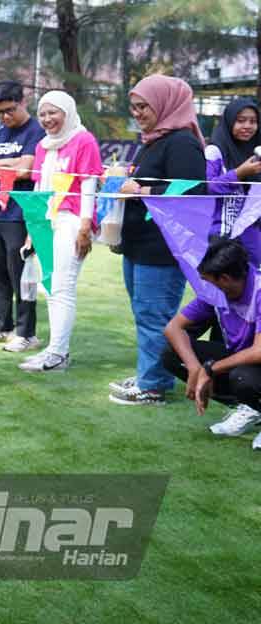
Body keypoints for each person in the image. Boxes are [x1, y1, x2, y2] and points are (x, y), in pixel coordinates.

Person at [110, 75, 207, 406]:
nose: (137, 113)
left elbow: (195, 192)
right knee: (144, 313)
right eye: (134, 107)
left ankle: (153, 386)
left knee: (155, 316)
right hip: (139, 244)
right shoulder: (154, 140)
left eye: (144, 106)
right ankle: (148, 374)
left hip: (163, 248)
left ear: (166, 104)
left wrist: (141, 189)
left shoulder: (182, 143)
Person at [19, 91, 102, 372]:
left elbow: (88, 183)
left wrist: (85, 227)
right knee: (50, 286)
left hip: (72, 219)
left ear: (67, 112)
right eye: (42, 114)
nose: (47, 119)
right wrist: (32, 228)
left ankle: (58, 354)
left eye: (53, 112)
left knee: (62, 286)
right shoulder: (43, 146)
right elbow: (39, 187)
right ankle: (55, 349)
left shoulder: (83, 140)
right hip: (46, 221)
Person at [163, 239, 261, 446]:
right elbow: (173, 328)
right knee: (172, 354)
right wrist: (194, 368)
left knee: (243, 377)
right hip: (244, 359)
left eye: (208, 281)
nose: (205, 286)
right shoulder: (216, 292)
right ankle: (250, 407)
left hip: (255, 359)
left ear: (224, 279)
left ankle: (251, 402)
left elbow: (259, 351)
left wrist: (210, 369)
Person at [0, 81, 43, 352]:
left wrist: (0, 165)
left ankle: (26, 332)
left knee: (21, 274)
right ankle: (0, 326)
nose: (5, 116)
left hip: (22, 212)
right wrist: (11, 164)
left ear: (22, 102)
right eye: (0, 112)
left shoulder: (35, 131)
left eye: (10, 110)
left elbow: (27, 170)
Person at [205, 98, 261, 264]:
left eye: (253, 121)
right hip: (222, 233)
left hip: (252, 231)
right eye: (241, 120)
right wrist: (239, 173)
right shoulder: (214, 151)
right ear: (229, 121)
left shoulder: (256, 150)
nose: (248, 126)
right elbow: (207, 188)